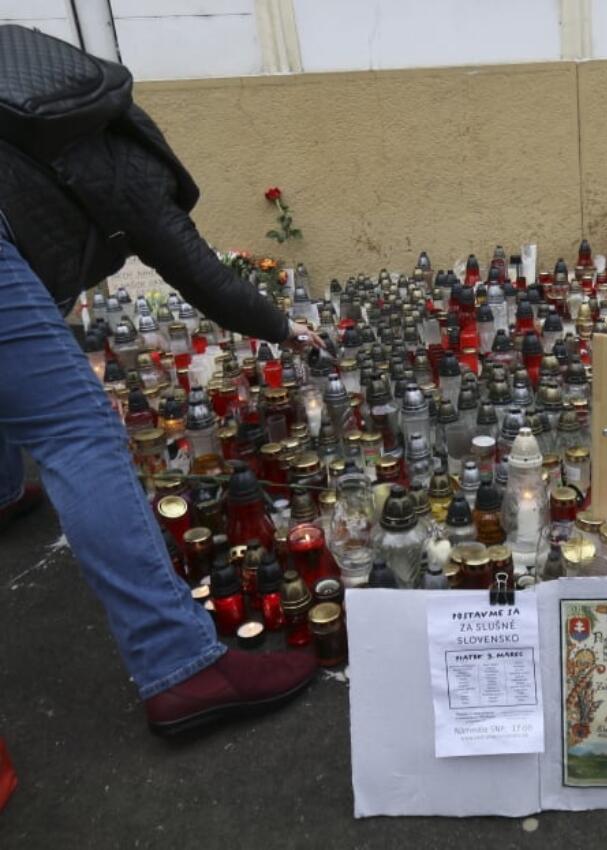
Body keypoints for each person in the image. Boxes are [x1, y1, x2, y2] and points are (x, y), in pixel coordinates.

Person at [0, 29, 321, 735]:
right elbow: (205, 278)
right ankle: (181, 666)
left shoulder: (42, 139)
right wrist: (287, 329)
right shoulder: (128, 173)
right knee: (78, 433)